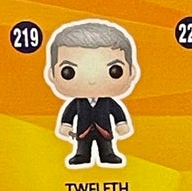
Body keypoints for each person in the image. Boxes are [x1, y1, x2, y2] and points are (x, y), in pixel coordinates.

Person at [46, 17, 138, 167]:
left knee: (106, 146)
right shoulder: (78, 102)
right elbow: (69, 113)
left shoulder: (108, 102)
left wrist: (121, 123)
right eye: (69, 72)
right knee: (83, 147)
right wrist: (66, 125)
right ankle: (82, 155)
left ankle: (108, 154)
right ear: (52, 74)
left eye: (115, 70)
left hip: (104, 130)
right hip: (83, 131)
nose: (92, 80)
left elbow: (117, 111)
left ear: (131, 72)